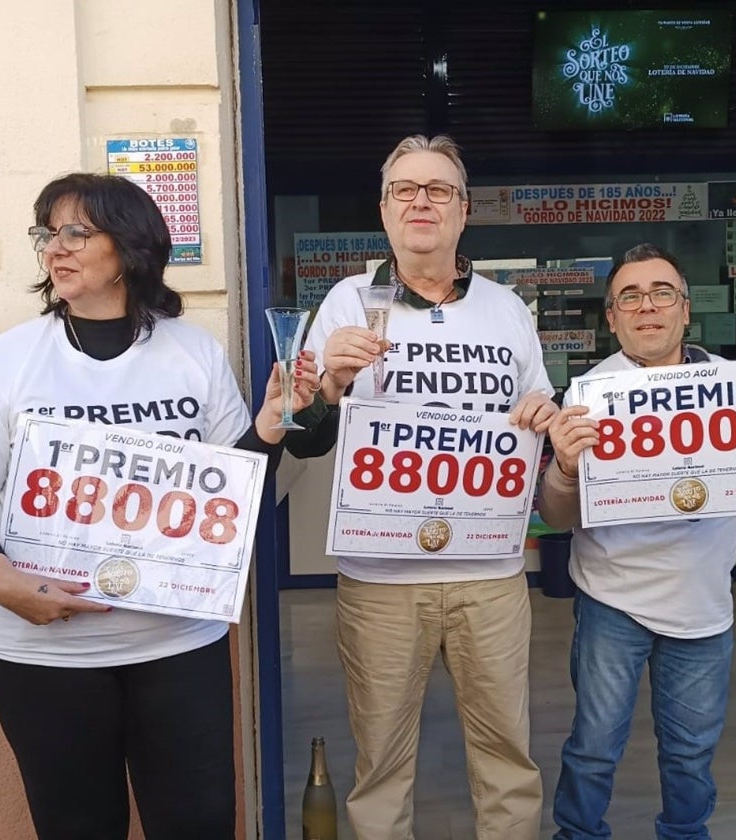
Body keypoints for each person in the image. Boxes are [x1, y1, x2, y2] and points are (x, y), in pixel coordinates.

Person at [0, 172, 320, 840]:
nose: (56, 248)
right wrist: (4, 584)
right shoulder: (10, 360)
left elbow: (233, 492)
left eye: (76, 231)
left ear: (132, 245)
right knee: (77, 826)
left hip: (176, 646)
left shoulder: (192, 353)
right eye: (47, 233)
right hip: (41, 656)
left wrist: (273, 425)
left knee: (196, 823)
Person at [286, 134, 557, 839]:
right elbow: (303, 437)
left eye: (439, 190)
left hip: (492, 572)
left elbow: (544, 419)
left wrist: (543, 415)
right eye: (405, 189)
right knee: (381, 763)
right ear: (383, 210)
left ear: (465, 211)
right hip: (380, 578)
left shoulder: (508, 310)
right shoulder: (346, 302)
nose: (422, 202)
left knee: (507, 757)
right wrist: (332, 387)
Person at [539, 243, 736, 840]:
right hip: (612, 601)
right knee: (593, 748)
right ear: (611, 317)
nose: (648, 306)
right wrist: (563, 469)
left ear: (685, 310)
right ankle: (578, 834)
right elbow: (556, 516)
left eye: (662, 292)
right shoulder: (587, 396)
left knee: (691, 754)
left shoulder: (735, 387)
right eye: (630, 297)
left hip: (703, 608)